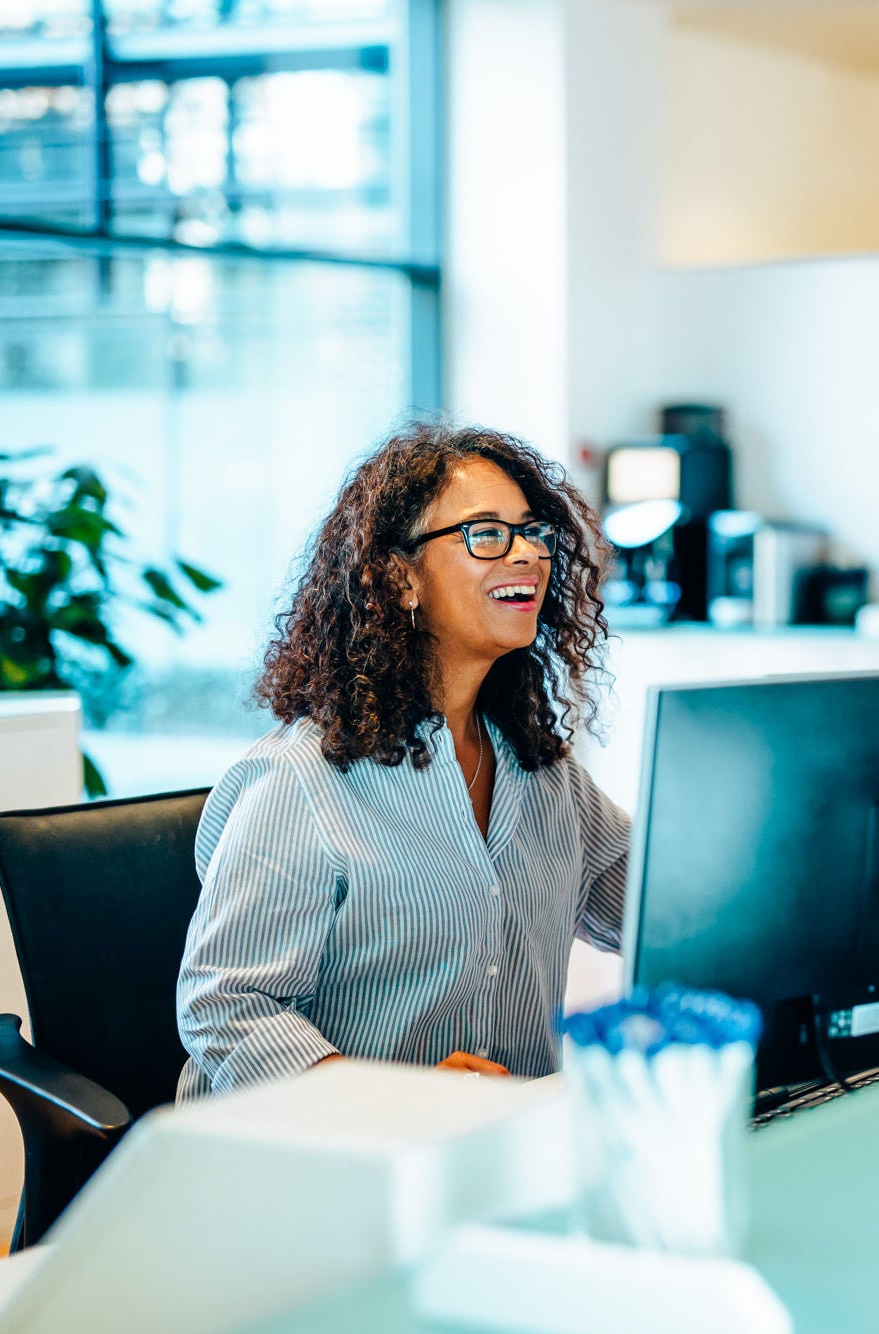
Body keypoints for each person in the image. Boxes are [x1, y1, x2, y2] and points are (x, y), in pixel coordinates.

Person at [175, 424, 632, 1099]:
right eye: (485, 534)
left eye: (534, 532)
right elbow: (227, 1007)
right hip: (333, 1165)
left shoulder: (545, 774)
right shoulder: (302, 780)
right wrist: (396, 1102)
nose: (527, 555)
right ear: (400, 576)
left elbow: (665, 913)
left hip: (500, 1151)